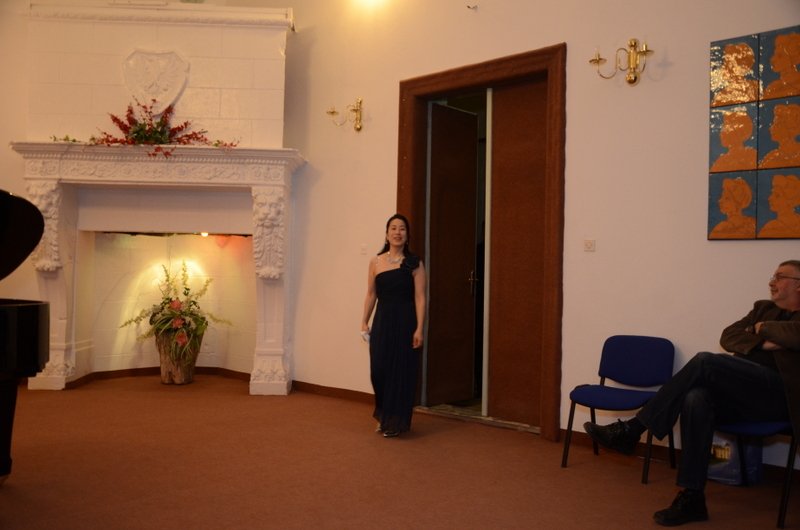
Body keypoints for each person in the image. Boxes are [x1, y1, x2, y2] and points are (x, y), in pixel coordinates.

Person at [584, 260, 800, 526]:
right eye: (773, 276)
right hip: (745, 396)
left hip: (781, 398)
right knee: (695, 398)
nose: (772, 282)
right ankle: (692, 496)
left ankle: (634, 429)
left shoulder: (765, 318)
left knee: (705, 361)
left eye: (780, 277)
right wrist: (770, 343)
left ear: (798, 285)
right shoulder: (762, 308)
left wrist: (759, 329)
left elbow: (795, 335)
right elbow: (729, 337)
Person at [361, 214, 427, 438]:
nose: (398, 232)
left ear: (407, 235)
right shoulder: (375, 262)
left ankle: (395, 421)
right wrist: (364, 320)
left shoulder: (414, 263)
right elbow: (371, 294)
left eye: (402, 229)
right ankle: (384, 414)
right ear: (387, 234)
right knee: (379, 370)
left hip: (405, 321)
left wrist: (419, 328)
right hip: (382, 321)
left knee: (401, 372)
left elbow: (420, 297)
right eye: (394, 228)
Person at [758, 174, 800, 238]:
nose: (770, 198)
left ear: (790, 200)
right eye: (772, 193)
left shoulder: (771, 227)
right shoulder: (770, 227)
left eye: (777, 195)